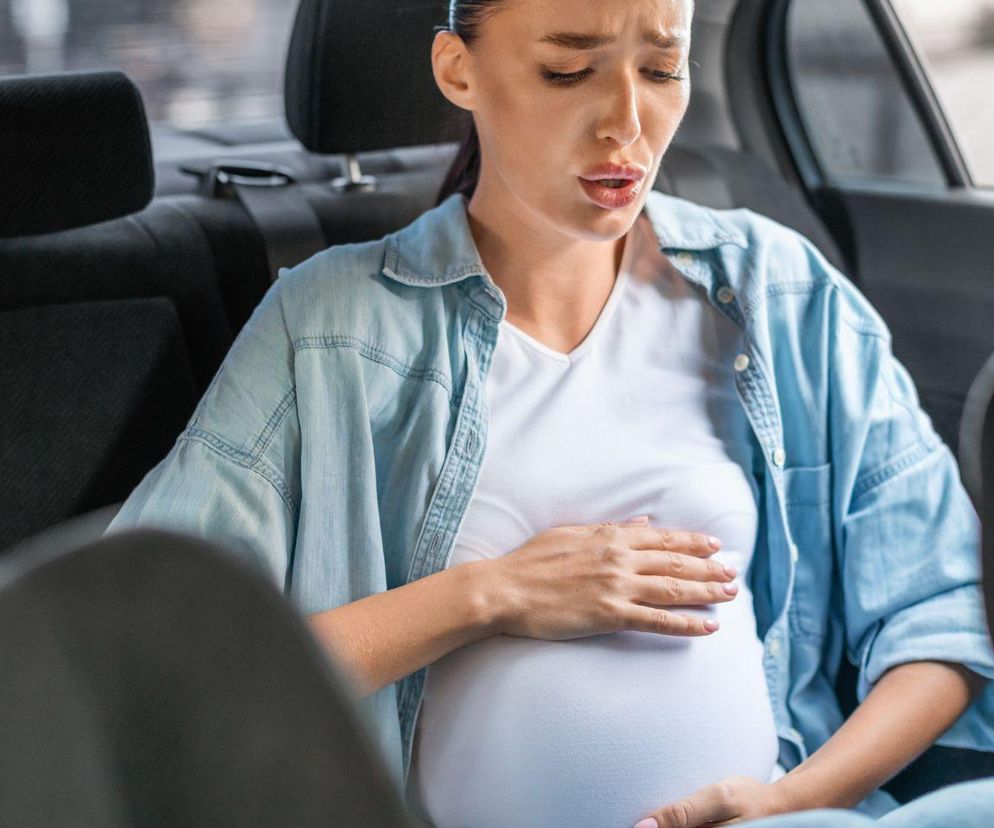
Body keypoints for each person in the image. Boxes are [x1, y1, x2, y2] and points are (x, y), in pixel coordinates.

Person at [104, 0, 994, 826]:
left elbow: (941, 623)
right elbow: (151, 668)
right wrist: (489, 594)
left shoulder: (780, 293)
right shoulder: (329, 329)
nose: (627, 124)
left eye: (662, 69)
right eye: (570, 71)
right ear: (459, 71)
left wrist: (792, 802)